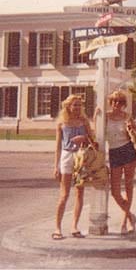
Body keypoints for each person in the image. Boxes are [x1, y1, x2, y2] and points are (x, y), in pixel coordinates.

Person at [53, 95, 92, 240]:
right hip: (67, 156)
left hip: (80, 157)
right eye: (74, 105)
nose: (77, 107)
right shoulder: (62, 123)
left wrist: (84, 138)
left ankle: (74, 226)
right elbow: (57, 146)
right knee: (64, 194)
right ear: (68, 106)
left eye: (79, 105)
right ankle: (57, 227)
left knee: (79, 193)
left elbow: (92, 139)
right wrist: (56, 165)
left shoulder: (84, 122)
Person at [104, 91, 136, 235]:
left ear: (124, 104)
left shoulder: (127, 117)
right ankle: (131, 215)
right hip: (114, 153)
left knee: (129, 186)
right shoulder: (105, 117)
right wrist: (95, 117)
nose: (116, 104)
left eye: (120, 102)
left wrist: (132, 127)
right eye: (114, 101)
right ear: (110, 102)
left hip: (128, 151)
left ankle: (125, 222)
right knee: (115, 192)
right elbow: (97, 133)